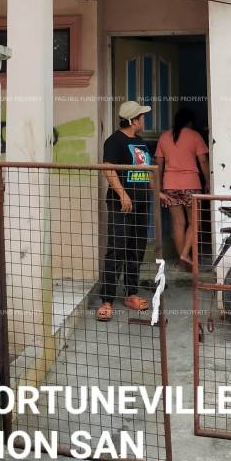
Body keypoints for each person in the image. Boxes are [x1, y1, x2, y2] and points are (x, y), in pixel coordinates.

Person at [97, 100, 153, 322]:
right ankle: (107, 300)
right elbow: (108, 168)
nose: (144, 119)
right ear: (134, 120)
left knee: (136, 249)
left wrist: (156, 193)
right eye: (142, 116)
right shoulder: (114, 141)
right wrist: (122, 194)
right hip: (122, 204)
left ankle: (131, 293)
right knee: (116, 249)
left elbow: (145, 172)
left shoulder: (140, 142)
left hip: (141, 204)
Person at [155, 107, 210, 270]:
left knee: (178, 224)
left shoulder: (164, 137)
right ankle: (185, 254)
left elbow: (158, 164)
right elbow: (203, 161)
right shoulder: (195, 136)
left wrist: (159, 186)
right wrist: (208, 181)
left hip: (170, 185)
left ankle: (182, 262)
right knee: (195, 222)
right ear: (190, 122)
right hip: (191, 185)